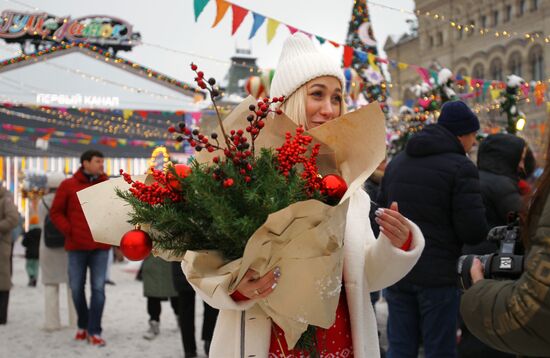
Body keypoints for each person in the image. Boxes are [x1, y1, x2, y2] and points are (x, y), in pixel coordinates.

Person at [182, 33, 426, 357]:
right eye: (317, 94)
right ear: (291, 99)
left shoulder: (347, 185)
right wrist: (235, 287)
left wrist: (395, 244)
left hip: (341, 343)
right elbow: (197, 263)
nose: (329, 109)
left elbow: (363, 277)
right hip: (266, 343)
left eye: (337, 98)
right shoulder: (245, 172)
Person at [378, 100, 489, 357]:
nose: (473, 142)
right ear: (463, 135)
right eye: (473, 136)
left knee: (401, 347)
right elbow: (472, 231)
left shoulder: (398, 162)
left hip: (399, 270)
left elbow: (382, 211)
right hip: (438, 278)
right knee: (439, 348)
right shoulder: (462, 168)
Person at [461, 136, 550, 357]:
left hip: (478, 261)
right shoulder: (503, 186)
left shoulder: (474, 177)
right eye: (519, 159)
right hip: (496, 271)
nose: (522, 165)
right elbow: (529, 312)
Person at [50, 150, 111, 346]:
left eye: (102, 161)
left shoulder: (106, 184)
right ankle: (82, 325)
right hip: (76, 246)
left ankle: (94, 330)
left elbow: (114, 210)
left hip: (101, 246)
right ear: (85, 163)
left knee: (98, 289)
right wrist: (70, 230)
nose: (101, 164)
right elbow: (56, 212)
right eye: (97, 161)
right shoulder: (68, 185)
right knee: (76, 288)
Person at [38, 171, 76, 331]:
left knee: (50, 285)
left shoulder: (42, 203)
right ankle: (76, 321)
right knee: (72, 285)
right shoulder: (68, 202)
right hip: (68, 247)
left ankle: (52, 323)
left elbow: (41, 224)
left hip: (47, 247)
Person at [172, 261, 218, 357]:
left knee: (187, 308)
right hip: (206, 260)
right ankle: (207, 342)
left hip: (183, 261)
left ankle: (190, 348)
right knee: (210, 304)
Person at [141, 254, 179, 341]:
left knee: (175, 293)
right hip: (152, 259)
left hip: (172, 258)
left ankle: (180, 319)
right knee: (152, 294)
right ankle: (154, 323)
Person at [0, 183, 19, 324]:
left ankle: (1, 316)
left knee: (2, 280)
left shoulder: (5, 200)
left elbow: (13, 219)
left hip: (1, 245)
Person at [22, 215, 41, 287]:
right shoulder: (41, 233)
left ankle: (31, 276)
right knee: (36, 267)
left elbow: (23, 243)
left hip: (29, 253)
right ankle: (35, 278)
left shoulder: (29, 233)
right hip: (37, 254)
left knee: (29, 266)